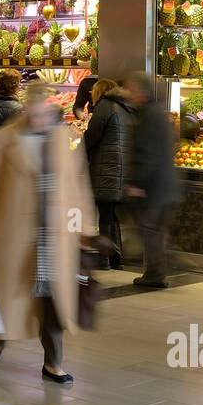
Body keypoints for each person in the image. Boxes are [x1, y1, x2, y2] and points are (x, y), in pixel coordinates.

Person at [0, 83, 97, 385]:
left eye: (44, 115)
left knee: (53, 302)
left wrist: (86, 229)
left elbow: (78, 187)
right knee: (11, 295)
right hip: (14, 232)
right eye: (34, 114)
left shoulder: (61, 141)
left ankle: (53, 363)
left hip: (55, 235)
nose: (39, 121)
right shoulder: (3, 140)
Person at [123, 72, 178, 289]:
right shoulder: (156, 112)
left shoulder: (149, 115)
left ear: (141, 92)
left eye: (132, 90)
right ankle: (161, 266)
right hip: (163, 183)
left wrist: (137, 183)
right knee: (155, 230)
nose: (129, 94)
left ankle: (156, 273)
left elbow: (148, 152)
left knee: (151, 230)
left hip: (155, 185)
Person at [83, 77, 131, 269]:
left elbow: (92, 135)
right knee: (110, 214)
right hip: (119, 168)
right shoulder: (123, 108)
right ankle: (116, 256)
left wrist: (78, 151)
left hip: (107, 168)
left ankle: (104, 258)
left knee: (105, 215)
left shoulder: (104, 106)